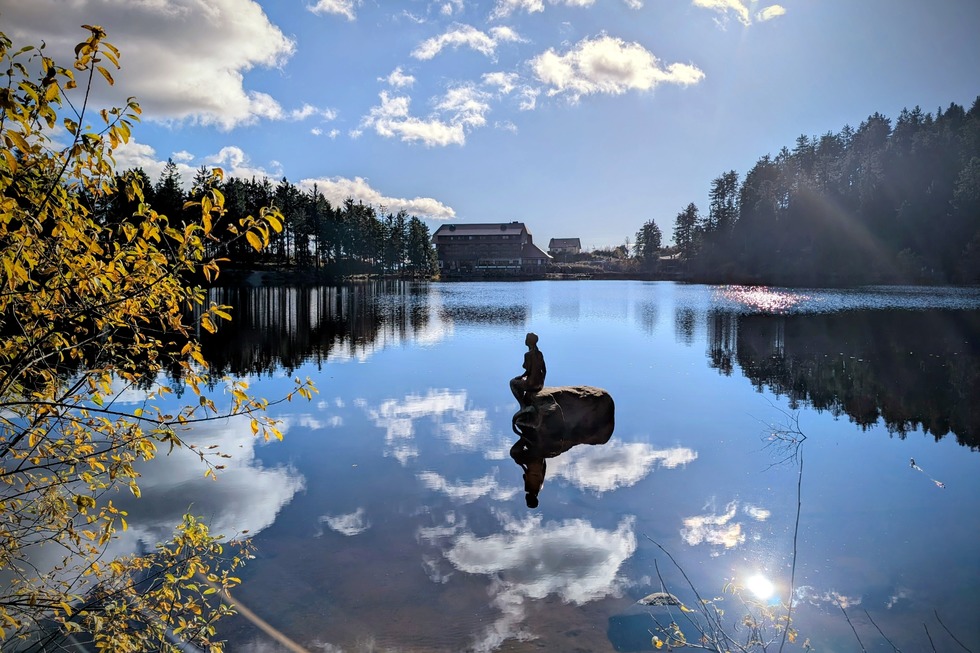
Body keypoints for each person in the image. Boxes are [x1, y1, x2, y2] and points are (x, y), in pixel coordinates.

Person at [510, 332, 546, 412]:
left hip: (531, 384)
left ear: (528, 341)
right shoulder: (540, 354)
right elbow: (544, 370)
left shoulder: (528, 355)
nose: (525, 340)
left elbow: (528, 371)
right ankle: (527, 400)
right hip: (540, 385)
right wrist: (541, 381)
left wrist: (520, 377)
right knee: (523, 380)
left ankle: (523, 406)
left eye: (526, 339)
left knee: (513, 382)